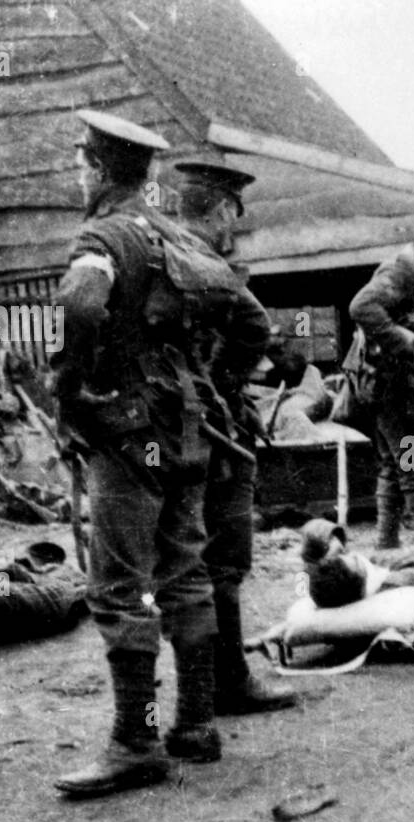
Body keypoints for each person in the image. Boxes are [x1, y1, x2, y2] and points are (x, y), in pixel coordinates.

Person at [50, 110, 235, 797]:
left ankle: (135, 742)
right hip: (185, 429)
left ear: (97, 169)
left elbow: (80, 305)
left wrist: (68, 387)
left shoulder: (102, 236)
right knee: (187, 573)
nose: (78, 176)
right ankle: (195, 726)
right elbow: (235, 308)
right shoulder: (170, 235)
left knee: (118, 588)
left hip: (127, 433)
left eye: (81, 165)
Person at [172, 157, 298, 714]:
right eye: (232, 215)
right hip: (212, 434)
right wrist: (220, 384)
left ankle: (195, 694)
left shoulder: (151, 248)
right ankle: (230, 683)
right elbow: (253, 327)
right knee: (222, 559)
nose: (233, 229)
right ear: (222, 209)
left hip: (154, 431)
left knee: (177, 561)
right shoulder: (206, 261)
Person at [347, 218, 414, 549]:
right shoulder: (401, 269)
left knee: (395, 463)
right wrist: (410, 339)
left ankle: (386, 543)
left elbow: (397, 314)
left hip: (390, 381)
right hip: (387, 381)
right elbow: (361, 307)